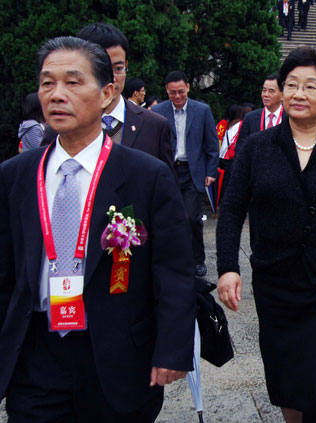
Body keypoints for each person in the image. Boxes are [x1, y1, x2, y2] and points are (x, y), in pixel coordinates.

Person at [0, 36, 196, 423]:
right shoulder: (15, 175)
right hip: (35, 353)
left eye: (73, 82)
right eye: (47, 83)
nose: (57, 95)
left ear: (106, 93)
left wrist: (172, 349)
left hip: (117, 351)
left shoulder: (146, 175)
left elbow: (173, 268)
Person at [216, 46, 316, 423]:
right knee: (285, 371)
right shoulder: (257, 147)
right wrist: (228, 267)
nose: (298, 94)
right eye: (291, 85)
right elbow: (232, 208)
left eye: (310, 86)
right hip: (276, 280)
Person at [76, 23, 174, 170]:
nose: (112, 78)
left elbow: (166, 182)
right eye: (101, 68)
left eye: (118, 68)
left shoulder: (154, 126)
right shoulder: (64, 128)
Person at [152, 71, 219, 278]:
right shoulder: (158, 111)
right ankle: (172, 259)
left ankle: (197, 259)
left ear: (188, 87)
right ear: (166, 91)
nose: (178, 96)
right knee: (168, 218)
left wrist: (211, 171)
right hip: (168, 170)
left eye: (181, 91)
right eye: (173, 92)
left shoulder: (202, 110)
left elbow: (211, 144)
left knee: (191, 218)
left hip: (192, 171)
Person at [236, 74, 286, 154]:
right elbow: (240, 149)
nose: (266, 94)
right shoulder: (250, 118)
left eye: (271, 91)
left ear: (282, 95)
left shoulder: (291, 118)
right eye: (264, 90)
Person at [218, 104, 246, 201]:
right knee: (229, 182)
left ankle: (221, 201)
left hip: (221, 157)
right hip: (231, 158)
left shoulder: (223, 124)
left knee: (222, 182)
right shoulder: (240, 125)